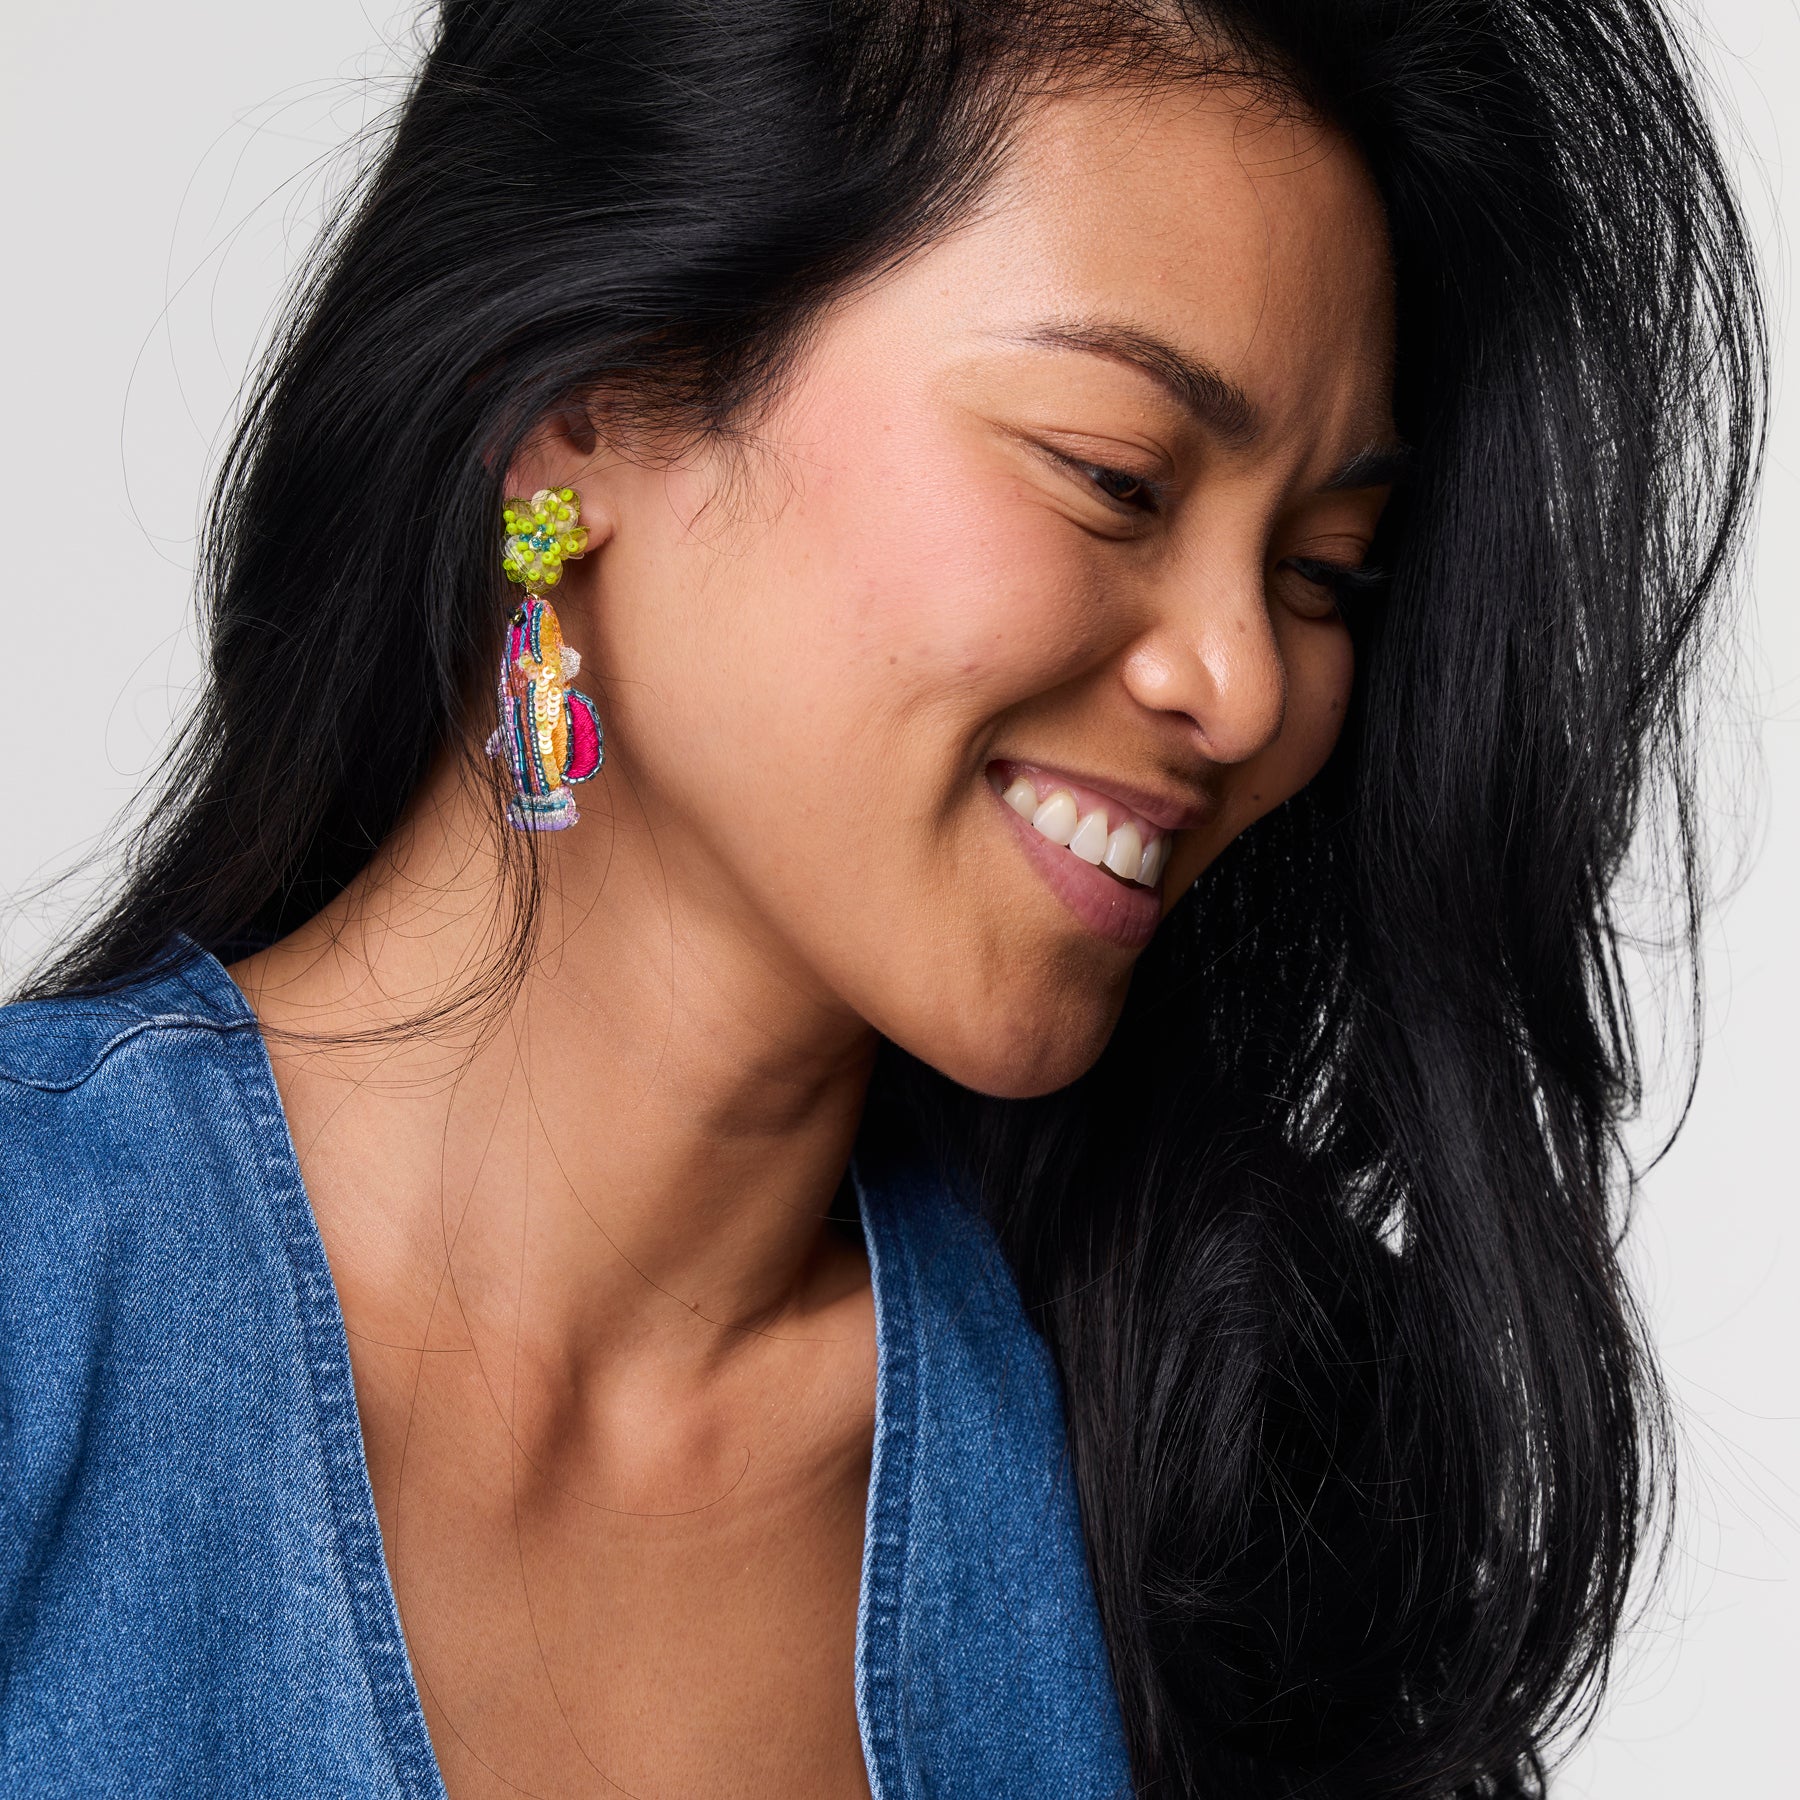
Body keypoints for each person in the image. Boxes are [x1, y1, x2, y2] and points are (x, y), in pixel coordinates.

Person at [0, 1, 1764, 1796]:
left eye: (1323, 574)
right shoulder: (38, 1308)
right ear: (578, 416)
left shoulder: (1230, 1487)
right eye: (1116, 478)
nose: (1245, 684)